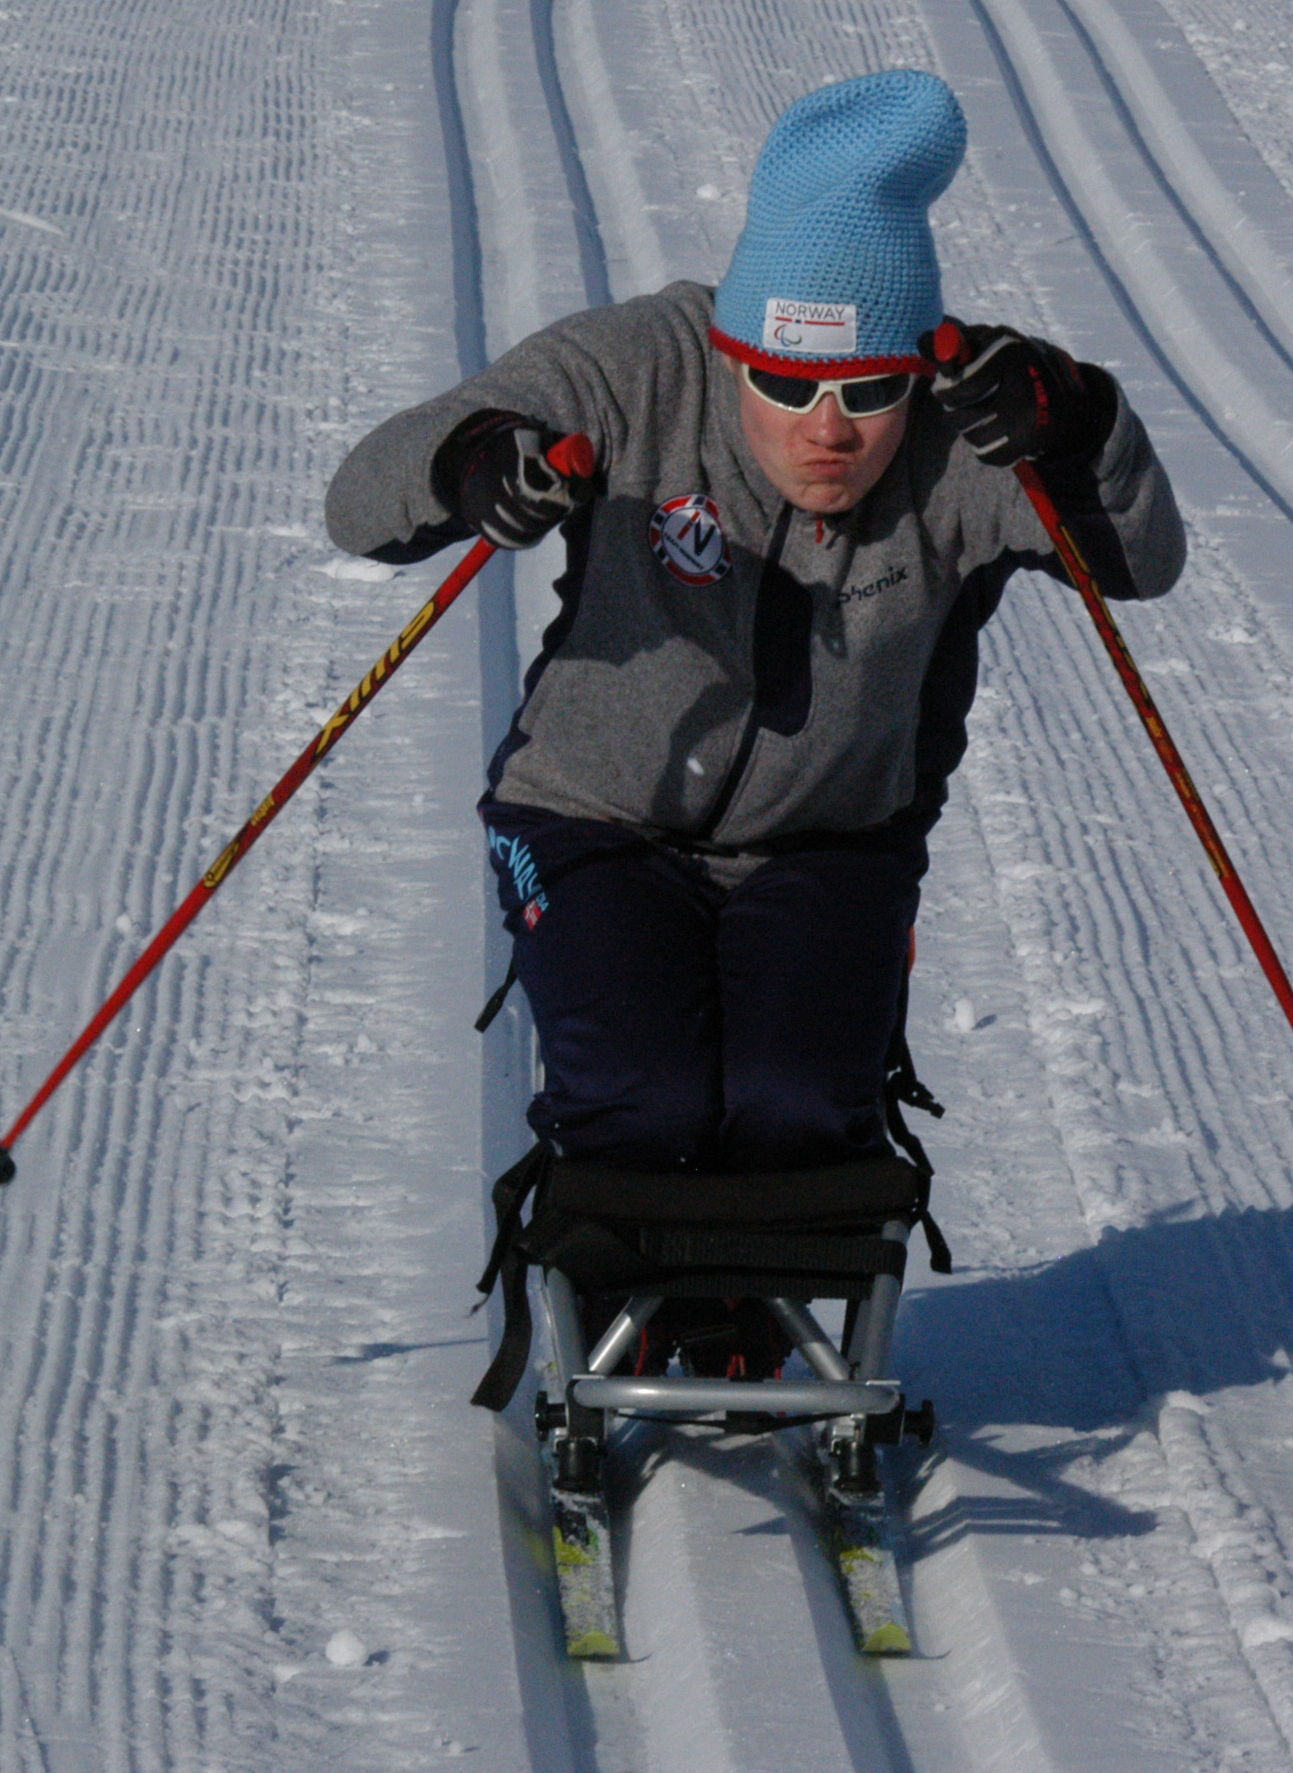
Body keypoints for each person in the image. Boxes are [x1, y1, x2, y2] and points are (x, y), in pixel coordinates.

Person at [326, 71, 1184, 1372]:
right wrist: (472, 466)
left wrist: (1082, 422)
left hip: (832, 838)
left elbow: (1138, 560)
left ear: (916, 364)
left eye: (865, 389)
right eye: (783, 384)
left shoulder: (973, 416)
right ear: (733, 349)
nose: (825, 427)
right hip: (590, 817)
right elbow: (367, 497)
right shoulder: (639, 367)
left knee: (794, 1108)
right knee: (651, 1100)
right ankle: (623, 1301)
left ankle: (749, 1318)